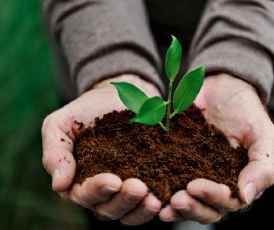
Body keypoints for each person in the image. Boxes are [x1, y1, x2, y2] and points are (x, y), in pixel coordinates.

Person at [40, 0, 274, 229]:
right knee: (115, 203)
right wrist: (111, 64)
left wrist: (242, 59)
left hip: (259, 55)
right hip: (91, 57)